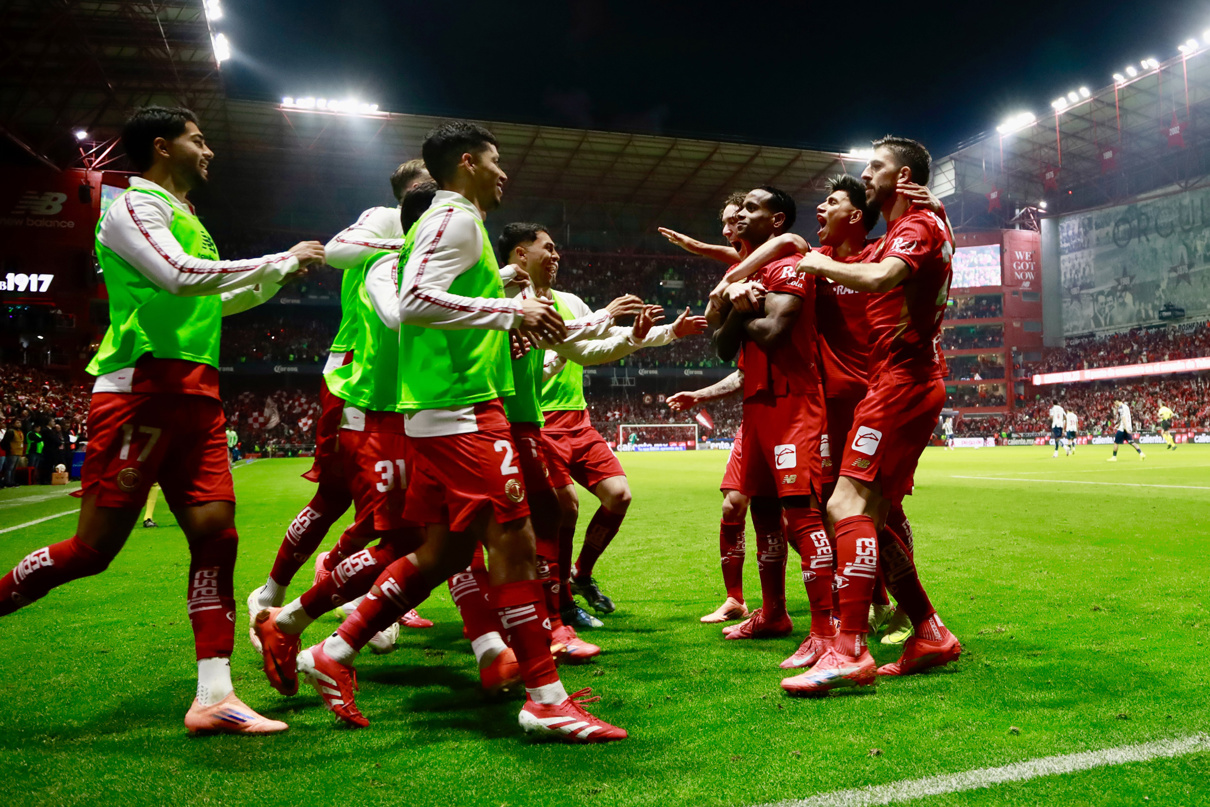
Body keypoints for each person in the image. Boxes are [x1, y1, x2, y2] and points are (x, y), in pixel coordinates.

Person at [295, 121, 626, 741]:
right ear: (467, 162)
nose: (504, 175)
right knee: (515, 541)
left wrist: (508, 317)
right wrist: (509, 309)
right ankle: (544, 697)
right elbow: (416, 300)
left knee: (444, 551)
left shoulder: (446, 222)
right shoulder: (457, 219)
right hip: (460, 411)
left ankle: (329, 654)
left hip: (444, 409)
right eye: (497, 163)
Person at [0, 105, 325, 733]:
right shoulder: (132, 208)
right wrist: (272, 257)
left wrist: (280, 271)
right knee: (92, 550)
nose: (209, 151)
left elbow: (218, 298)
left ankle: (214, 696)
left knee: (217, 537)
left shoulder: (190, 220)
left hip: (197, 394)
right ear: (161, 146)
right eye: (198, 140)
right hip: (142, 389)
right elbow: (177, 277)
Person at [785, 136, 962, 694]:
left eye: (875, 166)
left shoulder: (914, 230)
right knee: (876, 515)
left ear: (902, 174)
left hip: (901, 383)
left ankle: (850, 648)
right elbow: (867, 262)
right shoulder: (916, 226)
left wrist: (815, 261)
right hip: (899, 380)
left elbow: (884, 277)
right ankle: (929, 630)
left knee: (843, 504)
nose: (865, 173)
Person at [246, 160, 434, 642]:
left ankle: (351, 586)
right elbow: (334, 250)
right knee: (338, 498)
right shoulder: (383, 220)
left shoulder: (441, 230)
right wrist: (405, 243)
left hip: (403, 391)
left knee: (394, 509)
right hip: (356, 379)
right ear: (413, 190)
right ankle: (280, 594)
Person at [712, 185, 833, 661]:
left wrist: (742, 309)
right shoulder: (749, 272)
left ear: (777, 220)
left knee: (801, 516)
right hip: (756, 406)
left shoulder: (792, 265)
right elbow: (722, 347)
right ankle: (774, 612)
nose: (739, 214)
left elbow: (776, 333)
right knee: (762, 513)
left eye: (750, 209)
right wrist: (737, 302)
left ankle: (825, 629)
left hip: (795, 402)